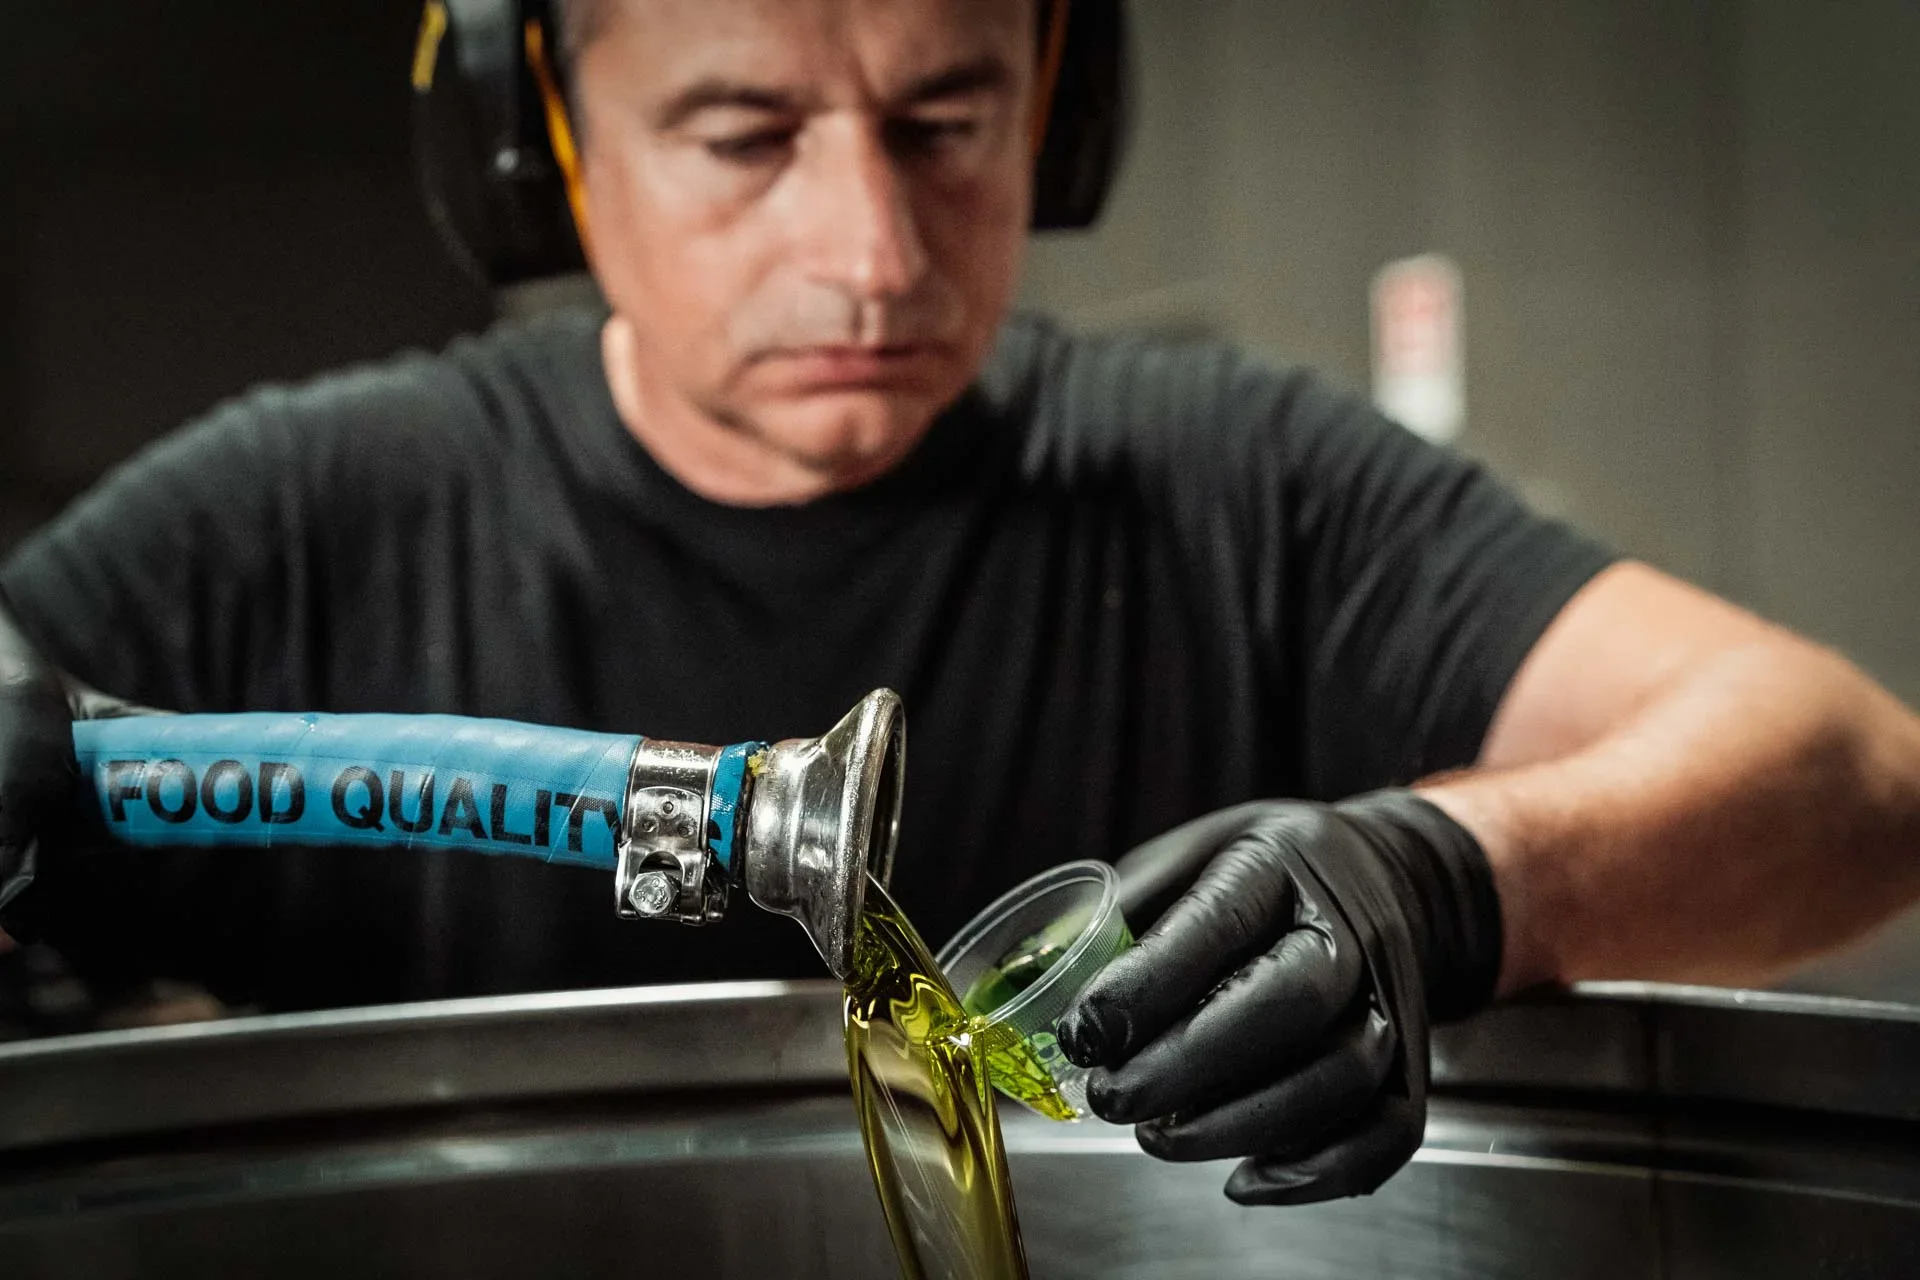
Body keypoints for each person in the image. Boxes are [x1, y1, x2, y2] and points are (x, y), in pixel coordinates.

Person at [2, 0, 1917, 1209]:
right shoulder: (298, 519)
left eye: (946, 122)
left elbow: (1856, 771)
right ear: (540, 139)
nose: (871, 253)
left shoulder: (1234, 484)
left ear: (1057, 112)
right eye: (743, 137)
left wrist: (1447, 882)